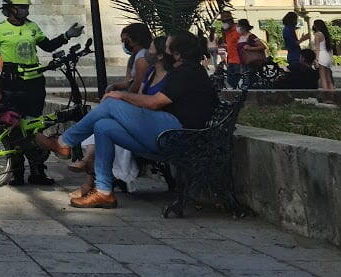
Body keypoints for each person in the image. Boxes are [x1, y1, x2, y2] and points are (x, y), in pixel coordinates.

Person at [38, 31, 218, 209]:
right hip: (168, 130)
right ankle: (103, 191)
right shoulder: (184, 71)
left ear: (177, 54)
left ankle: (64, 142)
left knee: (110, 104)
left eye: (168, 47)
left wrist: (122, 96)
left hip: (175, 133)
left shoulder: (188, 73)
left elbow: (155, 102)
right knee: (103, 127)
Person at [0, 0, 83, 186]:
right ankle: (16, 172)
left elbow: (47, 46)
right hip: (12, 85)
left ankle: (38, 171)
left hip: (34, 83)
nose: (26, 11)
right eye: (22, 7)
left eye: (26, 7)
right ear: (11, 9)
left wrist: (67, 35)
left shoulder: (33, 27)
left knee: (35, 125)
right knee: (14, 126)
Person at [311, 19, 336, 92]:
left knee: (323, 77)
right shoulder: (326, 34)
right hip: (327, 55)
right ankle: (332, 93)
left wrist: (316, 59)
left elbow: (317, 48)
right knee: (328, 77)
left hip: (321, 56)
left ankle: (326, 94)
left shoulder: (317, 34)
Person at [220, 12, 243, 88]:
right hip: (230, 59)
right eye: (222, 22)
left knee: (232, 82)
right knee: (230, 83)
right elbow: (226, 43)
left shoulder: (238, 30)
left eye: (225, 21)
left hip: (238, 59)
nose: (223, 23)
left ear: (230, 21)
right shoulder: (227, 32)